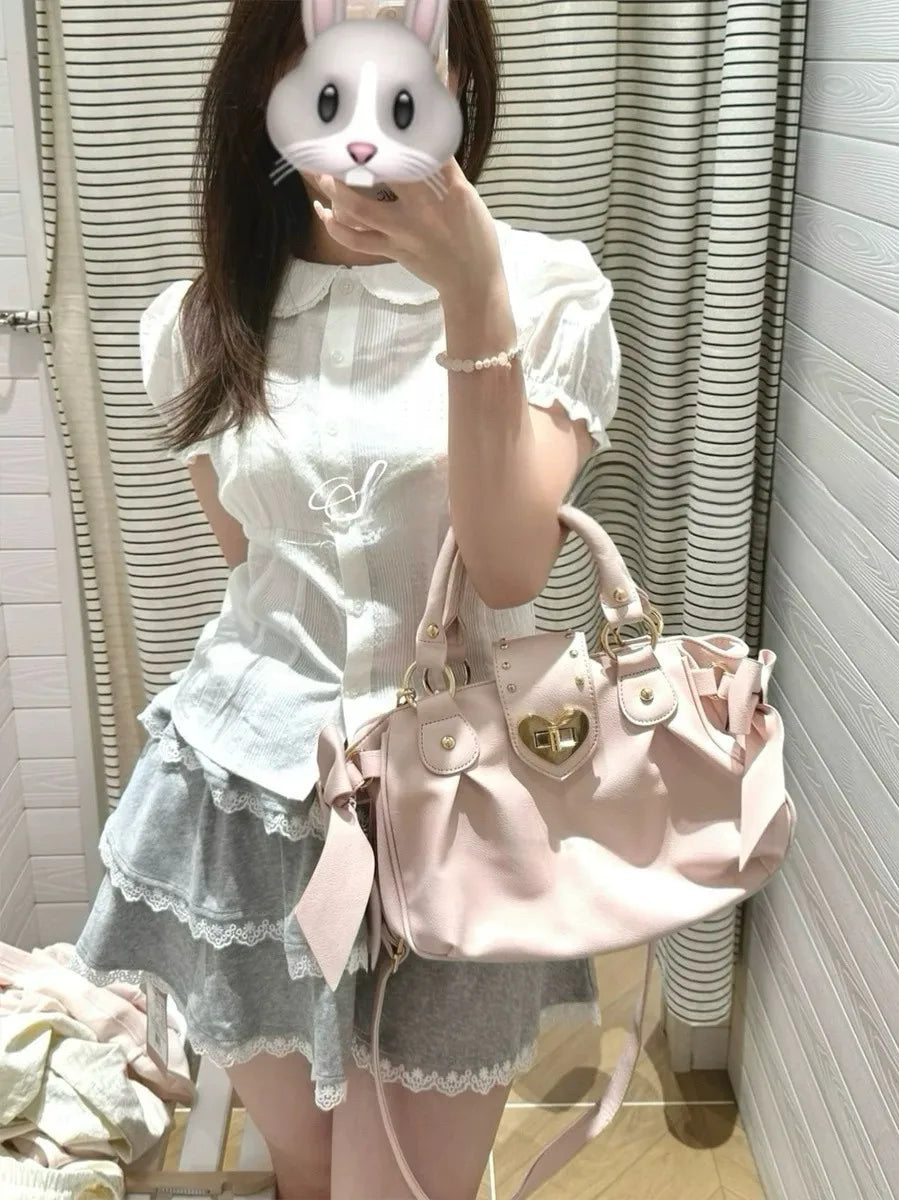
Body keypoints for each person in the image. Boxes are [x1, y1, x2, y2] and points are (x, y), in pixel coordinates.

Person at [68, 2, 623, 1196]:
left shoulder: (547, 289)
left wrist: (471, 292)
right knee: (310, 1171)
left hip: (459, 812)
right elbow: (252, 565)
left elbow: (508, 567)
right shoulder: (201, 319)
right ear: (269, 85)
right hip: (251, 808)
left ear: (460, 74)